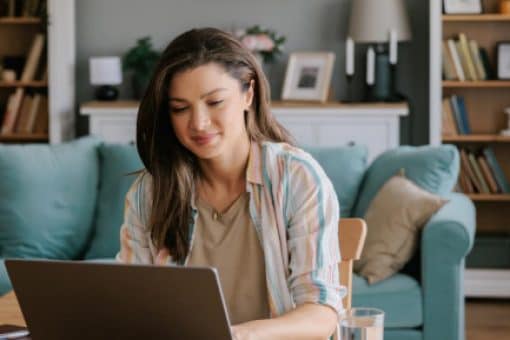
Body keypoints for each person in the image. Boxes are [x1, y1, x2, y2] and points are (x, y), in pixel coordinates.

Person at [116, 27, 345, 339]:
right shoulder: (149, 193)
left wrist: (239, 335)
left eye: (215, 102)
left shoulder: (296, 177)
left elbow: (321, 314)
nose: (198, 123)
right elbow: (132, 305)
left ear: (248, 95)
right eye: (180, 108)